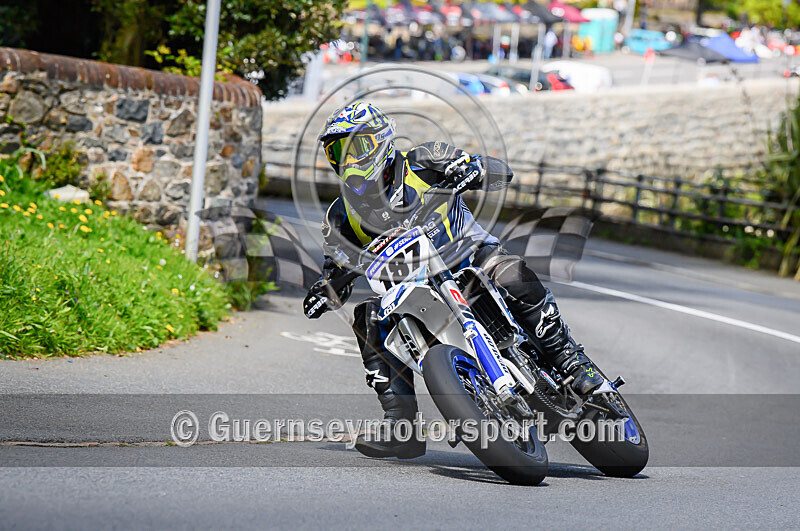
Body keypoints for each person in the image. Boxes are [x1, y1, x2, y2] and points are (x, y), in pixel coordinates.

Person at [303, 102, 602, 459]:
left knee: (510, 272)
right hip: (410, 289)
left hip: (468, 257)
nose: (349, 159)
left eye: (357, 147)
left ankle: (570, 360)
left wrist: (472, 169)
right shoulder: (340, 214)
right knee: (367, 317)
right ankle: (401, 424)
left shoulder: (423, 159)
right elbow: (336, 268)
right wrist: (327, 289)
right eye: (338, 151)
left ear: (381, 140)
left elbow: (498, 171)